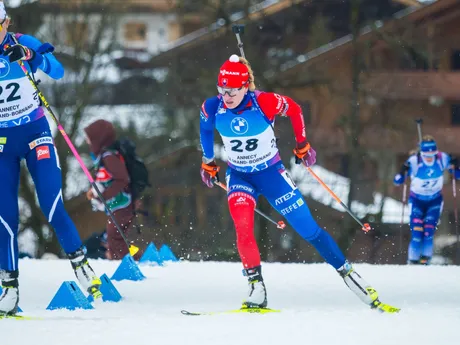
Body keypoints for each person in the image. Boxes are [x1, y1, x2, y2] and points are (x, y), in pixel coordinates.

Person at [199, 54, 398, 313]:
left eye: (232, 91)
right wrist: (208, 161)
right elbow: (204, 131)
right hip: (240, 176)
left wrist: (302, 144)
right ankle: (256, 288)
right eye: (221, 90)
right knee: (243, 227)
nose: (226, 96)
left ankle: (350, 276)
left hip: (271, 175)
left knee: (309, 231)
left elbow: (294, 109)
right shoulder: (212, 107)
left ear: (245, 85)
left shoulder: (265, 102)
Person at [0, 2, 101, 316]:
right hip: (2, 144)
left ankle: (80, 263)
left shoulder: (23, 43)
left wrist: (34, 57)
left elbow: (58, 71)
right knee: (5, 218)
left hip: (35, 134)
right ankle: (9, 287)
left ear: (6, 23)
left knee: (52, 203)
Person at [394, 135, 460, 265]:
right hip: (417, 201)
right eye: (426, 155)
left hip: (434, 202)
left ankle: (425, 261)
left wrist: (456, 167)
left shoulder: (442, 158)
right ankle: (412, 261)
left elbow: (456, 169)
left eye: (432, 154)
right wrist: (401, 175)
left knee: (428, 233)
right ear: (422, 153)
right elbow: (398, 178)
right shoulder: (414, 160)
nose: (430, 157)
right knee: (417, 234)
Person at [84, 120, 137, 260]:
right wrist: (94, 192)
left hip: (123, 204)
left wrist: (105, 196)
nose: (87, 141)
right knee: (115, 238)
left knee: (114, 238)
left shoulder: (109, 157)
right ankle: (137, 260)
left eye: (90, 138)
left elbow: (123, 179)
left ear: (98, 138)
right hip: (117, 206)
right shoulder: (103, 157)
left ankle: (130, 265)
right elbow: (105, 180)